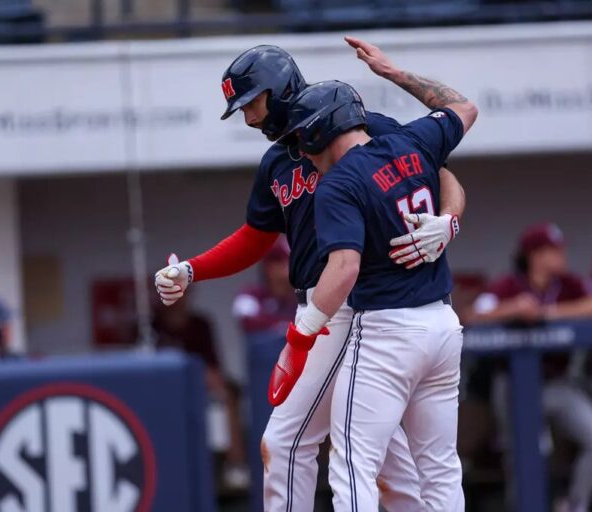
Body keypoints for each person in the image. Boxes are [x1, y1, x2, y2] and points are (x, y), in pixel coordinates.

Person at [154, 42, 467, 511]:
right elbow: (256, 236)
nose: (249, 119)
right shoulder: (277, 163)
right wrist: (193, 268)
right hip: (342, 305)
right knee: (389, 465)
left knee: (290, 443)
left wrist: (450, 220)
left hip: (353, 305)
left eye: (251, 103)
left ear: (278, 91)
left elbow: (439, 173)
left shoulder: (358, 127)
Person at [277, 46, 477, 508]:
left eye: (302, 141)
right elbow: (464, 107)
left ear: (319, 131)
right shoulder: (412, 141)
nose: (302, 156)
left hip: (387, 331)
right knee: (441, 466)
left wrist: (301, 334)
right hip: (443, 327)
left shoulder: (338, 183)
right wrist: (393, 72)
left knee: (353, 467)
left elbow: (343, 268)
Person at [471, 223, 592, 512]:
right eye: (554, 250)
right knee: (520, 456)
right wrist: (512, 309)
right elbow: (472, 315)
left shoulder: (569, 284)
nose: (562, 255)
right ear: (535, 255)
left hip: (557, 383)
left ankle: (574, 504)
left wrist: (548, 313)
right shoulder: (509, 285)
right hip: (514, 384)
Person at [152, 293, 251, 490]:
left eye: (181, 292)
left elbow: (213, 367)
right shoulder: (150, 325)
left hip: (199, 386)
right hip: (164, 390)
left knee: (226, 394)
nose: (176, 298)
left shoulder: (200, 324)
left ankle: (235, 464)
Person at [232, 237, 297, 335]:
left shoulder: (303, 296)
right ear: (270, 266)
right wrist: (284, 326)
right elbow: (247, 319)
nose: (293, 266)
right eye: (284, 261)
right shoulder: (250, 294)